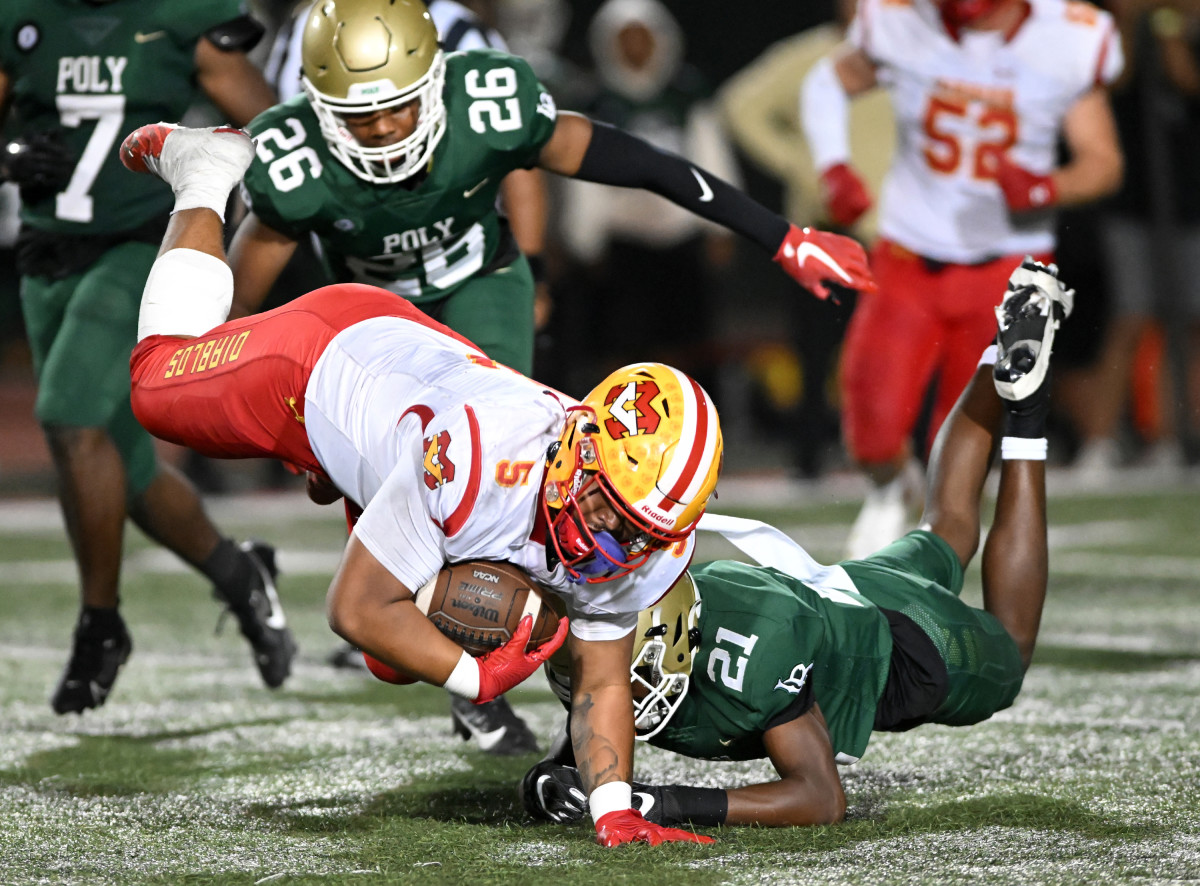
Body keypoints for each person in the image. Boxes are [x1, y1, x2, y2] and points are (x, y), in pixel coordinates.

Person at [122, 120, 741, 847]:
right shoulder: (483, 458)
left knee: (397, 658)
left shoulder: (648, 538)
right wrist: (482, 682)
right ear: (580, 446)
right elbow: (352, 607)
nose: (617, 539)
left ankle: (358, 478)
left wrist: (616, 812)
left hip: (408, 421)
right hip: (328, 359)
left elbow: (603, 680)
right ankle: (203, 170)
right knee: (152, 385)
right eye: (611, 507)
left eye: (643, 531)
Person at [521, 258, 1072, 830]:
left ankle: (1027, 418)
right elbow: (600, 680)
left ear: (676, 647)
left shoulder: (752, 658)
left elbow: (820, 797)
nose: (615, 683)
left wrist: (664, 803)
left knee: (1013, 646)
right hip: (842, 587)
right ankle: (999, 359)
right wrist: (554, 774)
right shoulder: (637, 615)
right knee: (946, 529)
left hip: (902, 646)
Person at [226, 0, 875, 378]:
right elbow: (235, 318)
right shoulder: (294, 159)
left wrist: (780, 235)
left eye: (402, 105)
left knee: (495, 443)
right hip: (364, 303)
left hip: (477, 276)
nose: (387, 131)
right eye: (359, 115)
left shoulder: (482, 98)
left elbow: (642, 163)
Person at [259, 0, 553, 755]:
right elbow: (295, 171)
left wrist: (538, 263)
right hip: (372, 312)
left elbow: (514, 153)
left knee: (495, 482)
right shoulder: (307, 43)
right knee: (393, 551)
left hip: (469, 279)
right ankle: (442, 642)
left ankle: (505, 675)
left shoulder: (453, 37)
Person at [0, 0, 293, 715]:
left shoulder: (180, 15)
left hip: (141, 247)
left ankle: (101, 624)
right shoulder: (21, 15)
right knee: (118, 467)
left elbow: (281, 135)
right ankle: (240, 573)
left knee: (70, 419)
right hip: (46, 257)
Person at [799, 0, 1124, 558]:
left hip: (1009, 269)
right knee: (872, 430)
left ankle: (929, 584)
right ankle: (888, 491)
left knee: (961, 458)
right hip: (909, 257)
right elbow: (826, 81)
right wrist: (834, 166)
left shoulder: (1068, 36)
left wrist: (1047, 188)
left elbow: (1102, 160)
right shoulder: (904, 19)